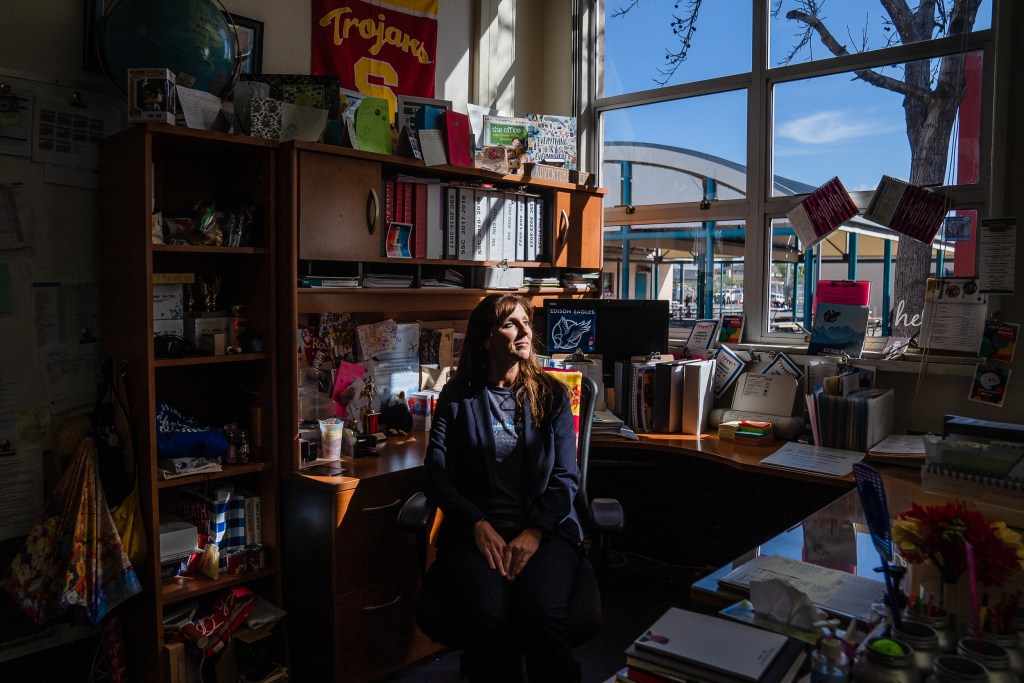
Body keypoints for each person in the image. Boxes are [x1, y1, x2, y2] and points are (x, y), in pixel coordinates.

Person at [422, 293, 584, 682]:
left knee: (542, 613)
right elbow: (435, 474)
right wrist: (475, 522)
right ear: (485, 338)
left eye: (526, 322)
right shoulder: (457, 396)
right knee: (486, 615)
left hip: (545, 531)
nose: (525, 331)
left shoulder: (552, 395)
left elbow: (566, 476)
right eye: (511, 323)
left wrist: (535, 531)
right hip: (477, 534)